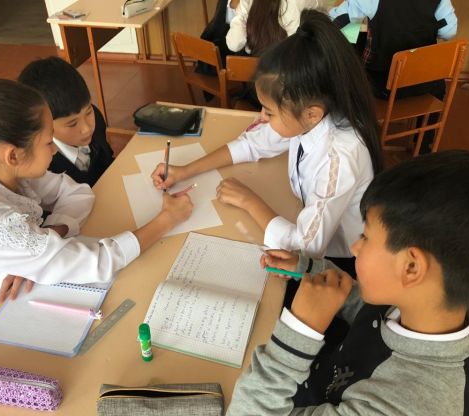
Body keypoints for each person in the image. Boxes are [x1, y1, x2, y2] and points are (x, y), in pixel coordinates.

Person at [0, 79, 192, 416]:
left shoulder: (2, 171)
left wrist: (50, 234)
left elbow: (76, 193)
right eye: (48, 142)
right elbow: (95, 261)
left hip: (18, 310)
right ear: (12, 154)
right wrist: (165, 221)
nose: (54, 150)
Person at [223, 149, 469, 416]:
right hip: (308, 391)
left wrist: (300, 331)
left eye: (366, 237)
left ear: (411, 267)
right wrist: (312, 270)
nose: (356, 247)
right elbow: (374, 311)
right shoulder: (438, 305)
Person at [153, 9, 383, 278]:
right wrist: (184, 171)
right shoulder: (309, 113)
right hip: (308, 220)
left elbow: (304, 249)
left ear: (311, 114)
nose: (262, 117)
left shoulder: (340, 156)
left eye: (269, 112)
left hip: (339, 262)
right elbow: (253, 143)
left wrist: (249, 201)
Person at [329, 0, 458, 154]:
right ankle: (424, 145)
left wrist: (360, 29)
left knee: (354, 62)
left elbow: (336, 24)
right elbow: (449, 32)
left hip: (383, 88)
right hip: (424, 87)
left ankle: (358, 137)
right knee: (438, 85)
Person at [18, 56, 114, 187]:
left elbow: (107, 158)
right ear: (43, 126)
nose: (87, 128)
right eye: (72, 123)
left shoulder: (96, 117)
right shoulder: (43, 166)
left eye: (88, 112)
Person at [226, 0, 320, 55]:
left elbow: (234, 44)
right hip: (290, 67)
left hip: (257, 69)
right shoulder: (302, 2)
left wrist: (239, 17)